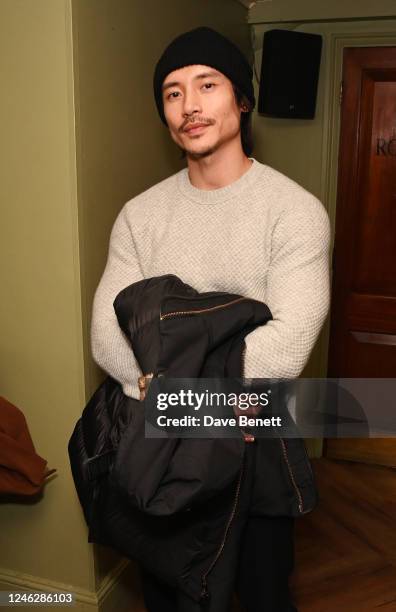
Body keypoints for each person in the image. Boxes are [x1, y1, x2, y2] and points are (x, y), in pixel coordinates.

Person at [90, 26, 331, 612]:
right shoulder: (140, 216)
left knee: (263, 592)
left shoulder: (294, 211)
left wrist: (179, 390)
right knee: (168, 590)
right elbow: (107, 335)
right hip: (159, 445)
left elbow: (288, 342)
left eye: (207, 85)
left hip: (254, 442)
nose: (190, 106)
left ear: (241, 100)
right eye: (172, 93)